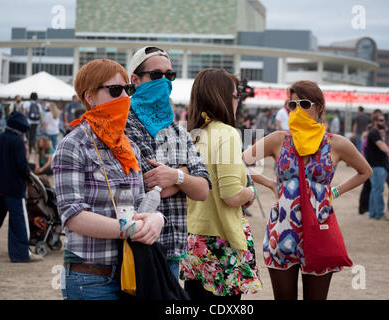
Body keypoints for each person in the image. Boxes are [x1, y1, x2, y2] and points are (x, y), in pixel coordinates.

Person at [243, 80, 372, 300]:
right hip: (282, 231)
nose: (298, 110)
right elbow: (240, 162)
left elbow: (365, 171)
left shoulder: (336, 144)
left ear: (320, 107)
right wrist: (271, 184)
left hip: (319, 230)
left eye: (304, 103)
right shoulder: (279, 140)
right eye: (292, 105)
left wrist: (335, 192)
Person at [51, 59, 165, 300]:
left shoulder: (128, 146)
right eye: (115, 90)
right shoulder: (72, 146)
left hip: (131, 273)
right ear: (90, 97)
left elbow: (143, 201)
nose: (125, 96)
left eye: (128, 89)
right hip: (90, 279)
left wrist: (157, 219)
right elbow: (72, 215)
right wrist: (130, 229)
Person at [126, 46, 211, 279]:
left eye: (169, 75)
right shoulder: (122, 125)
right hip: (131, 249)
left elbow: (204, 189)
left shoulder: (178, 132)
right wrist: (184, 178)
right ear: (136, 80)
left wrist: (176, 177)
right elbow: (137, 185)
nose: (164, 81)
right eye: (156, 75)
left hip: (173, 252)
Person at [180, 68, 262, 301]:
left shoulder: (192, 133)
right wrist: (251, 191)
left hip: (194, 237)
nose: (237, 101)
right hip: (221, 238)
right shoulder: (227, 134)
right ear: (222, 97)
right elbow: (231, 195)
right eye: (236, 96)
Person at [0, 111, 43, 262]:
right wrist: (29, 175)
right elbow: (21, 165)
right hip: (13, 189)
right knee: (18, 221)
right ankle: (21, 254)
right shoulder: (17, 142)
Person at [366, 113, 389, 220]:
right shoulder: (374, 133)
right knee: (378, 190)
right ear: (374, 122)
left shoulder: (375, 133)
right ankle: (379, 214)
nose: (383, 122)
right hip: (377, 166)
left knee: (374, 189)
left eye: (383, 120)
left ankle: (373, 213)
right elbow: (381, 146)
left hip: (375, 166)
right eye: (381, 120)